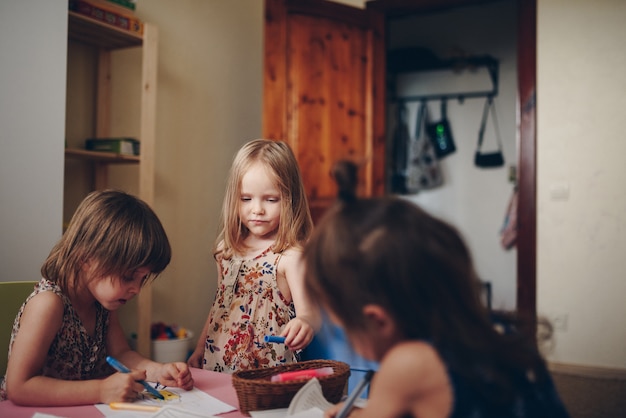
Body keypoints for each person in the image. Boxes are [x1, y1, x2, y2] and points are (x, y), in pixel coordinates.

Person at [302, 161, 571, 418]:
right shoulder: (495, 331)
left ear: (377, 320)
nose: (347, 340)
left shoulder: (409, 365)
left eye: (345, 329)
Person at [0, 190, 194, 406]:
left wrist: (158, 371)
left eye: (143, 278)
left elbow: (121, 353)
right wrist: (101, 390)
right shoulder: (48, 305)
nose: (137, 289)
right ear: (85, 258)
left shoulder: (102, 305)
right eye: (129, 276)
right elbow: (19, 387)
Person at [188, 139, 319, 373]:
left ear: (290, 199)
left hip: (266, 369)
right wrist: (199, 349)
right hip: (218, 363)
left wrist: (305, 323)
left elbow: (309, 312)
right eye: (246, 198)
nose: (257, 209)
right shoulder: (226, 250)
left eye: (270, 200)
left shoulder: (289, 257)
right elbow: (220, 305)